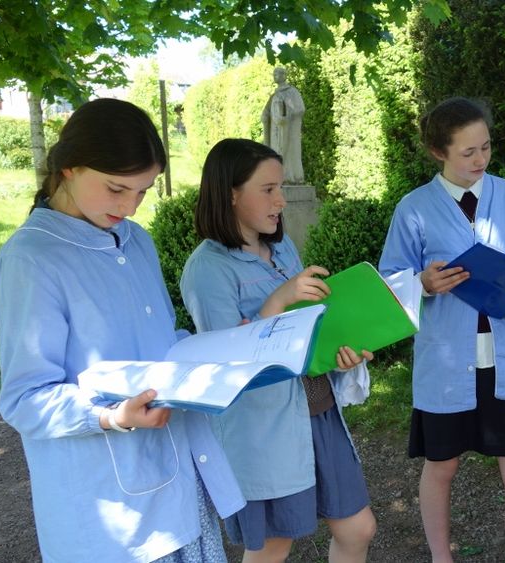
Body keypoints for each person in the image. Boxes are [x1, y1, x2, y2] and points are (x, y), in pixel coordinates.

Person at [0, 98, 246, 563]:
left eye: (142, 192)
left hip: (181, 488)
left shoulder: (136, 241)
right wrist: (111, 416)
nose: (129, 207)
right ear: (67, 167)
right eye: (115, 189)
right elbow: (25, 399)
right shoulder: (32, 260)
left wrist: (225, 347)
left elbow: (158, 346)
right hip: (113, 519)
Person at [180, 138, 377, 563]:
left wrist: (343, 350)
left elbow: (306, 326)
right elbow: (227, 362)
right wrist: (279, 300)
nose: (281, 201)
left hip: (318, 409)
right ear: (231, 193)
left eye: (280, 187)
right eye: (268, 189)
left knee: (359, 528)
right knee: (272, 546)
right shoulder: (206, 269)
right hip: (264, 430)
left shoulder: (282, 247)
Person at [379, 97, 505, 563]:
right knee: (442, 466)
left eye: (486, 147)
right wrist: (422, 283)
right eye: (468, 152)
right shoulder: (413, 209)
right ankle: (441, 558)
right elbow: (389, 280)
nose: (480, 160)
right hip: (447, 362)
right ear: (438, 152)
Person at [261, 67, 305, 184]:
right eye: (274, 73)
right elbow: (267, 111)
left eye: (278, 73)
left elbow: (300, 109)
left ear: (284, 75)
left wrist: (286, 114)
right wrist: (266, 115)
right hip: (275, 132)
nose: (275, 75)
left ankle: (290, 177)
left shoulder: (292, 92)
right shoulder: (274, 95)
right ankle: (278, 176)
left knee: (288, 154)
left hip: (287, 131)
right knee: (276, 153)